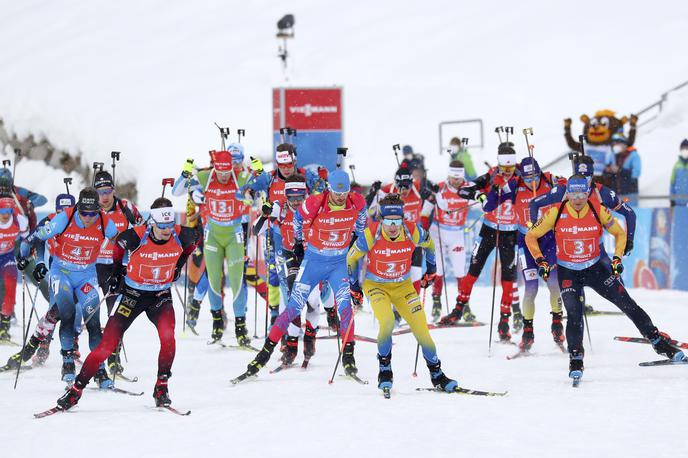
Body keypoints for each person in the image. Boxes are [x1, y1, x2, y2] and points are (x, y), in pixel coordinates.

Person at [526, 175, 685, 381]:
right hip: (568, 272)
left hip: (596, 269)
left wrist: (617, 257)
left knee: (627, 303)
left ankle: (658, 342)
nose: (577, 198)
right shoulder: (555, 213)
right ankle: (576, 358)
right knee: (574, 312)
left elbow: (619, 233)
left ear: (587, 192)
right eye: (573, 193)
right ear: (567, 193)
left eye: (582, 193)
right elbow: (531, 236)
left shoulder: (596, 210)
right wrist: (540, 261)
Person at [55, 197, 200, 411]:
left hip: (160, 296)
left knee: (168, 338)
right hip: (132, 295)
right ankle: (76, 390)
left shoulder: (183, 234)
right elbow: (117, 247)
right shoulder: (136, 236)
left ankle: (161, 387)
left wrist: (179, 265)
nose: (167, 231)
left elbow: (194, 241)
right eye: (162, 227)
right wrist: (116, 273)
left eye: (170, 225)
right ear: (153, 223)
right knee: (107, 346)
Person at [238, 169, 367, 379]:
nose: (341, 198)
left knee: (345, 307)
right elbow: (297, 220)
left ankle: (348, 358)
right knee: (292, 308)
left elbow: (362, 221)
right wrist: (298, 243)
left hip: (337, 264)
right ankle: (263, 355)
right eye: (337, 193)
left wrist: (356, 237)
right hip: (313, 261)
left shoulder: (357, 201)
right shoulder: (314, 203)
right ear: (329, 189)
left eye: (344, 194)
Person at [347, 194, 458, 393]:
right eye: (388, 221)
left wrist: (431, 270)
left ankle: (437, 374)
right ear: (381, 220)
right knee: (387, 321)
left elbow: (430, 245)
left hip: (403, 287)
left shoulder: (411, 230)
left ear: (402, 219)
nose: (392, 226)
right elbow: (351, 258)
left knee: (421, 329)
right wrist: (354, 288)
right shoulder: (371, 233)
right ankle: (385, 369)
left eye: (396, 221)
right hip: (376, 286)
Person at [18, 188, 118, 385]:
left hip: (87, 275)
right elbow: (37, 238)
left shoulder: (106, 221)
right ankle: (68, 363)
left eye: (93, 213)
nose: (89, 218)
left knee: (93, 323)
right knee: (68, 315)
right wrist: (35, 261)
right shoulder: (64, 218)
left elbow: (120, 242)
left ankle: (99, 369)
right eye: (84, 213)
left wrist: (118, 267)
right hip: (62, 273)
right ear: (78, 208)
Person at [439, 143, 519, 342]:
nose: (507, 173)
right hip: (489, 229)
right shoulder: (492, 174)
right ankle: (458, 310)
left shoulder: (522, 176)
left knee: (508, 279)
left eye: (511, 168)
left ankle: (504, 323)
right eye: (504, 168)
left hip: (511, 233)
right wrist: (480, 194)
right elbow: (464, 191)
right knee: (473, 271)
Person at [172, 146, 251, 346]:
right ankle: (217, 322)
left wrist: (254, 189)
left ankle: (241, 327)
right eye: (221, 173)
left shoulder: (239, 177)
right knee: (214, 280)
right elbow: (176, 191)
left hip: (234, 235)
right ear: (215, 168)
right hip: (212, 235)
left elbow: (261, 191)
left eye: (228, 172)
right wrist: (186, 177)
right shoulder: (206, 176)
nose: (224, 177)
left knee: (237, 280)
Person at [490, 157, 566, 350]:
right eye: (527, 177)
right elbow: (489, 206)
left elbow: (572, 187)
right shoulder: (515, 185)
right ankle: (528, 331)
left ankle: (557, 323)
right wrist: (495, 188)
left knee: (553, 284)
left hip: (549, 240)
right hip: (526, 242)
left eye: (535, 176)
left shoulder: (550, 180)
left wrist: (565, 184)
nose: (532, 181)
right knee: (531, 288)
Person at [2, 194, 75, 369]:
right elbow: (31, 240)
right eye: (60, 210)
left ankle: (73, 350)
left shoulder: (81, 222)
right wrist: (24, 256)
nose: (63, 214)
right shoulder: (49, 223)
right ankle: (42, 348)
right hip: (57, 274)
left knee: (75, 312)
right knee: (53, 311)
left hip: (82, 275)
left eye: (67, 210)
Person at [93, 170, 143, 375]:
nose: (104, 196)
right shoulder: (89, 208)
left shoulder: (126, 207)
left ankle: (113, 357)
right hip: (90, 265)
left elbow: (143, 230)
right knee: (79, 308)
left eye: (108, 191)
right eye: (100, 192)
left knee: (116, 312)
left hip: (116, 266)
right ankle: (72, 350)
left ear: (113, 190)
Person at [425, 160, 470, 321]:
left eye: (458, 179)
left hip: (456, 233)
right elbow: (426, 209)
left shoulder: (469, 188)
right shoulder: (440, 187)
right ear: (449, 175)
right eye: (453, 178)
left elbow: (482, 203)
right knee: (438, 271)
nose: (456, 181)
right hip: (437, 232)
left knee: (460, 271)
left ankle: (464, 306)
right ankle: (436, 302)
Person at [0, 194, 29, 342]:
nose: (5, 215)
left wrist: (24, 254)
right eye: (2, 212)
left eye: (9, 212)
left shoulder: (19, 221)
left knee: (11, 286)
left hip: (7, 257)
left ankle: (4, 327)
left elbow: (27, 238)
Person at [610, 132, 641, 203]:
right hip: (615, 193)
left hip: (629, 193)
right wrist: (609, 170)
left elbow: (636, 173)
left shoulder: (634, 155)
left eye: (617, 143)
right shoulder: (613, 155)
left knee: (630, 212)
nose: (615, 145)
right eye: (614, 143)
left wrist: (620, 170)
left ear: (624, 144)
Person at [669, 139, 688, 207]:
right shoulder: (676, 165)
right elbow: (672, 184)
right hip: (678, 203)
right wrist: (672, 200)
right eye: (683, 148)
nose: (685, 150)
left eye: (686, 148)